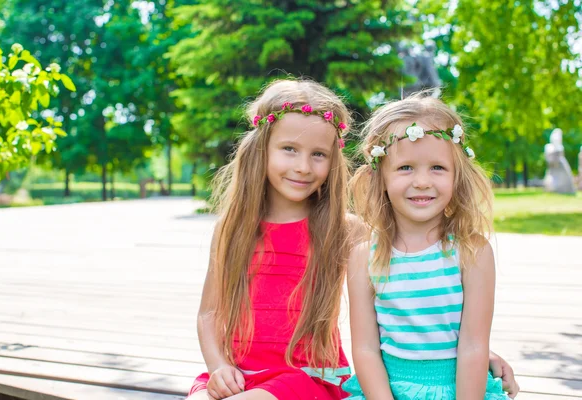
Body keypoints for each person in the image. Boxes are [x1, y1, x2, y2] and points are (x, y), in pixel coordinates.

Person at [187, 79, 354, 400]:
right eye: (289, 149)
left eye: (318, 154)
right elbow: (208, 314)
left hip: (306, 378)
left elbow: (402, 290)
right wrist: (218, 366)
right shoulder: (232, 229)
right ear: (262, 149)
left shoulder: (344, 230)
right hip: (237, 374)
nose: (303, 167)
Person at [342, 94, 515, 399]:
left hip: (457, 388)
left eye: (437, 168)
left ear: (456, 175)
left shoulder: (472, 252)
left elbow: (474, 346)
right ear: (381, 176)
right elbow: (366, 349)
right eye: (406, 167)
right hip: (386, 389)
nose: (422, 181)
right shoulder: (363, 257)